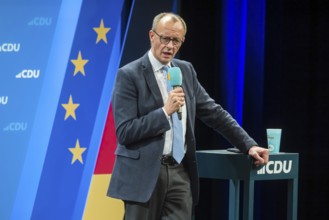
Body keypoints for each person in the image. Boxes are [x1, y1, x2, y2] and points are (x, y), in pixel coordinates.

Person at [107, 12, 269, 220]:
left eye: (177, 40)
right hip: (144, 176)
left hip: (180, 173)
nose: (170, 46)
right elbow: (125, 132)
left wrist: (248, 145)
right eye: (165, 38)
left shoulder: (185, 71)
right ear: (152, 36)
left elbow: (214, 113)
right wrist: (165, 112)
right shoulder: (129, 74)